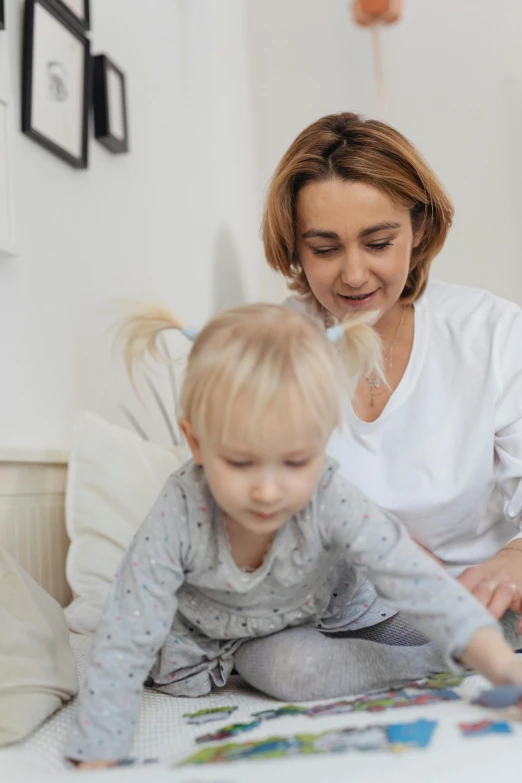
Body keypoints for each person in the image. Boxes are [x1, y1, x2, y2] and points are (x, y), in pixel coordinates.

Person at [67, 302, 521, 769]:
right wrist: (99, 750)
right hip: (234, 639)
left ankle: (497, 643)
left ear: (323, 443)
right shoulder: (180, 509)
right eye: (241, 463)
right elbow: (128, 623)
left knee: (427, 604)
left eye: (296, 462)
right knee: (293, 670)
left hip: (333, 608)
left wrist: (506, 672)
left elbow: (413, 579)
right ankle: (433, 662)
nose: (268, 490)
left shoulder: (329, 493)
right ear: (197, 442)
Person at [234, 111, 522, 699]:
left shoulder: (491, 332)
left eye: (378, 242)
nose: (355, 274)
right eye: (324, 248)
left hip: (466, 593)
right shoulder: (268, 351)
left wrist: (514, 561)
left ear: (418, 229)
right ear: (294, 248)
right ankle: (456, 655)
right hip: (330, 610)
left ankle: (465, 638)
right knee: (278, 659)